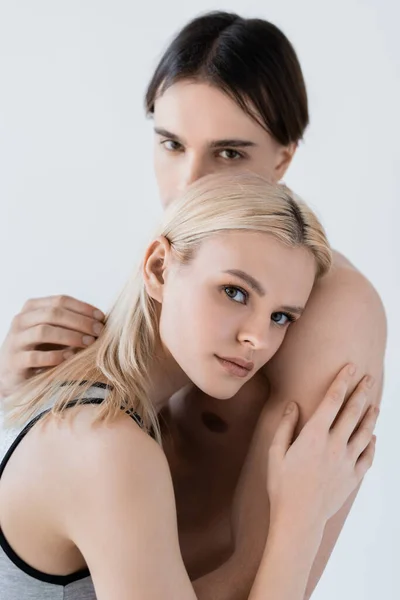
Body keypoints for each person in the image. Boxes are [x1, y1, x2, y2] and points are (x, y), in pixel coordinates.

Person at [0, 11, 386, 599]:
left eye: (229, 154)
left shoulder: (330, 306)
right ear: (159, 268)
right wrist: (15, 394)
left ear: (282, 160)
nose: (190, 184)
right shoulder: (175, 273)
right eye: (172, 144)